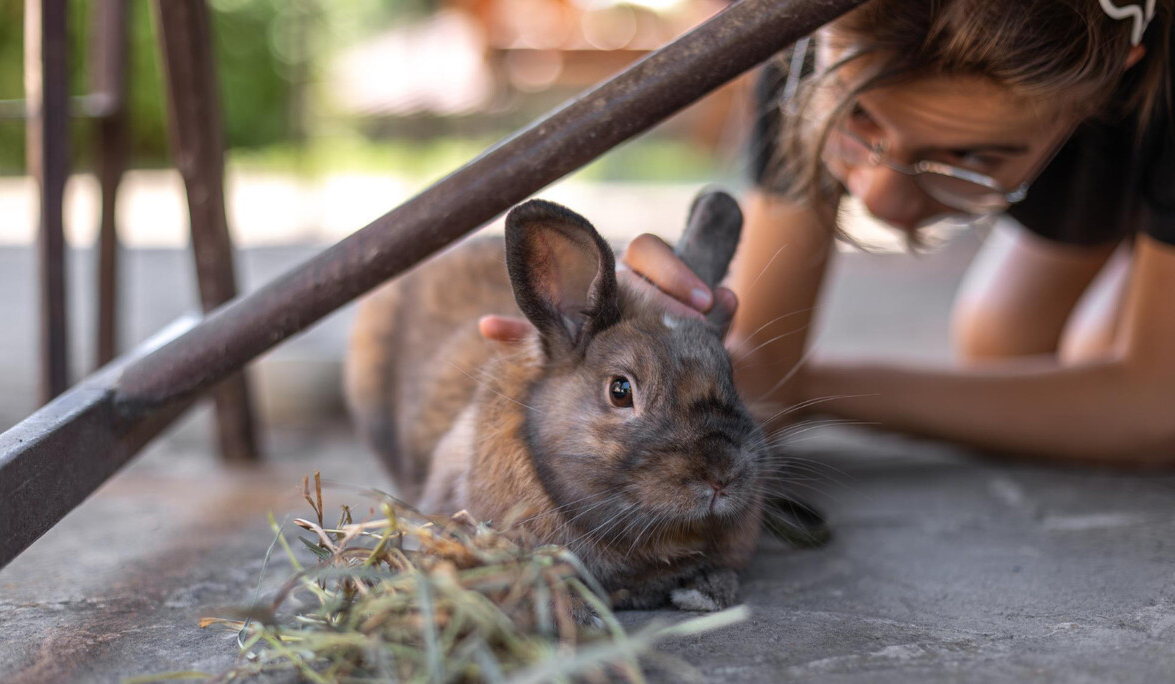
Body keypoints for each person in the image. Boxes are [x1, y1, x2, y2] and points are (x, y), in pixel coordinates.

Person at [481, 0, 1175, 466]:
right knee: (1005, 347)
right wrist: (656, 345)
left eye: (972, 156)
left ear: (1120, 70)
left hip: (1134, 117)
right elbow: (762, 363)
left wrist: (816, 387)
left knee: (1088, 384)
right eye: (861, 123)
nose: (883, 196)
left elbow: (1154, 407)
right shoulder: (811, 42)